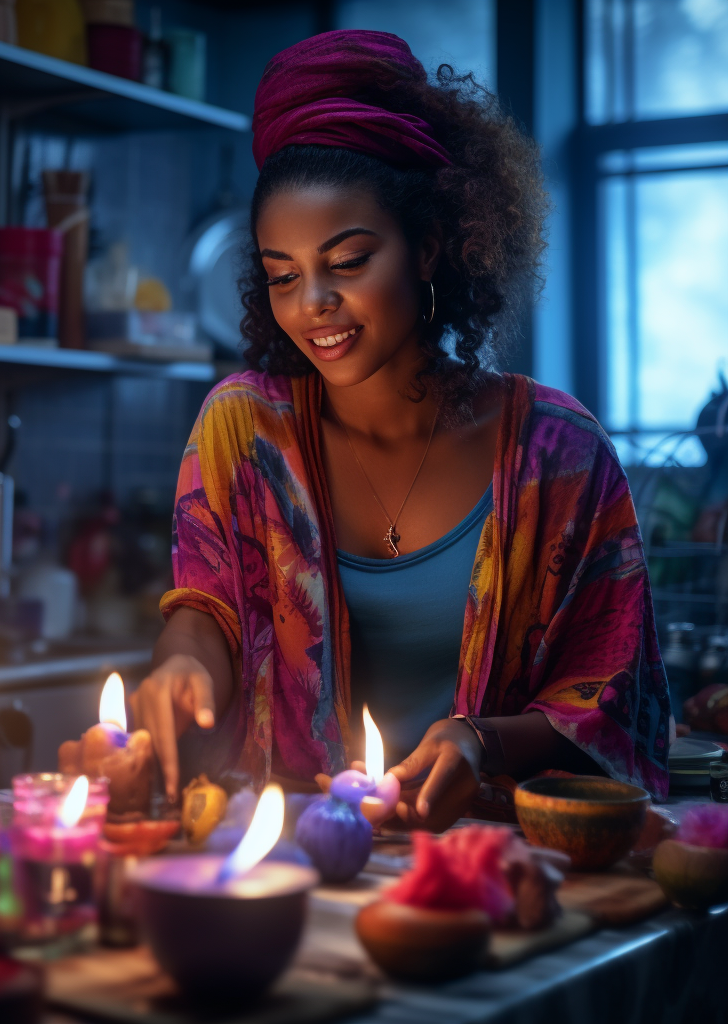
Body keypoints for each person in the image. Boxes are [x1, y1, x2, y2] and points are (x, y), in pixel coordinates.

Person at [129, 30, 670, 832]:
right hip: (287, 867)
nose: (313, 302)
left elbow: (616, 702)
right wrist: (180, 665)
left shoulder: (558, 453)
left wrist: (482, 740)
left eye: (348, 262)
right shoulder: (243, 430)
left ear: (429, 247)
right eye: (283, 275)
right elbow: (205, 607)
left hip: (494, 872)